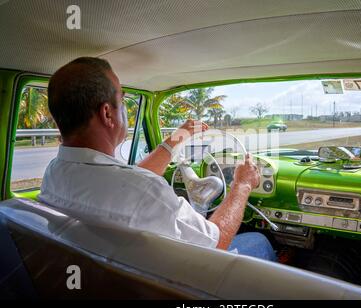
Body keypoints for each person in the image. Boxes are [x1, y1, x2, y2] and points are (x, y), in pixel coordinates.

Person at [39, 57, 276, 262]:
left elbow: (130, 186)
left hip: (113, 278)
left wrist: (176, 139)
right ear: (107, 113)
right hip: (185, 283)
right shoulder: (140, 191)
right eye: (122, 102)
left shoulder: (55, 173)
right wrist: (242, 185)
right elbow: (216, 243)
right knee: (258, 240)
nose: (125, 112)